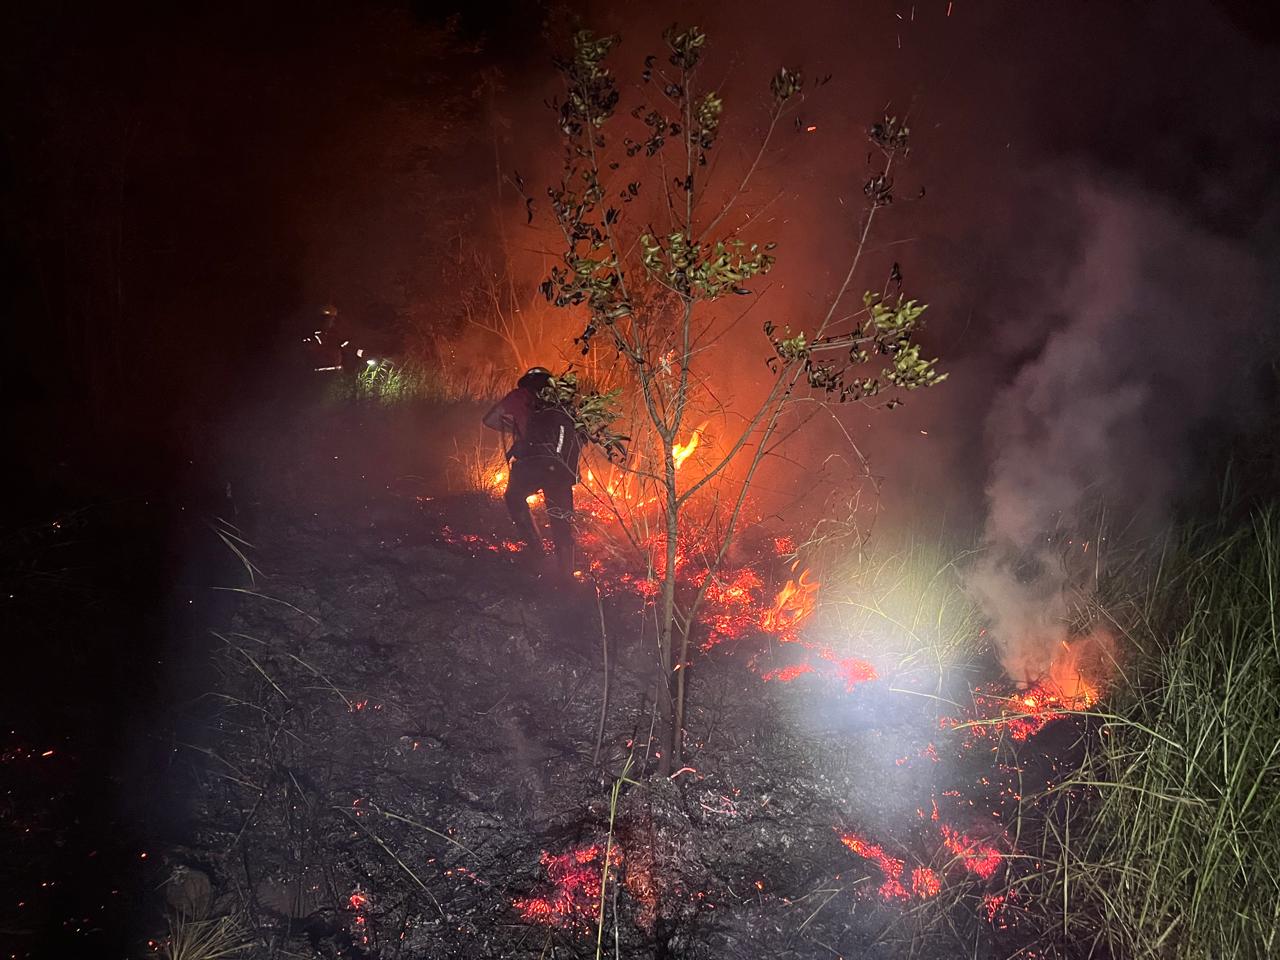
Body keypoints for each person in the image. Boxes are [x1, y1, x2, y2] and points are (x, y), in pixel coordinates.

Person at [482, 367, 583, 576]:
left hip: (530, 463)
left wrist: (519, 431)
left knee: (514, 497)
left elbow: (490, 419)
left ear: (526, 381)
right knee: (561, 518)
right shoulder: (559, 399)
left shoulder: (519, 395)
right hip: (559, 467)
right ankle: (567, 575)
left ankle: (538, 553)